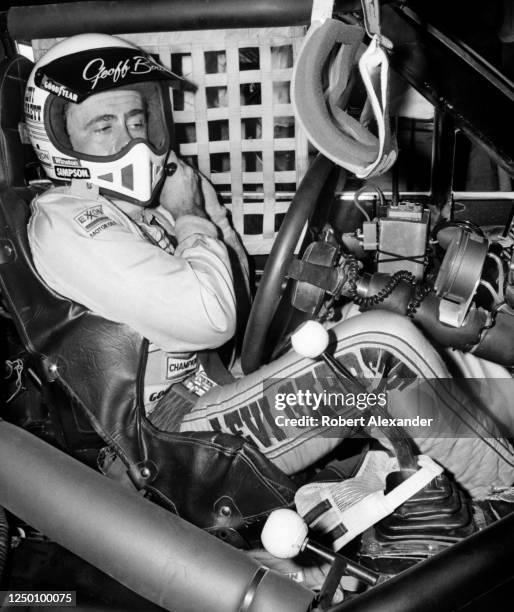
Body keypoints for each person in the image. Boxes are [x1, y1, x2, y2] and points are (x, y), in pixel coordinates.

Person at [26, 34, 513, 519]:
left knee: (378, 317)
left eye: (137, 121)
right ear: (59, 138)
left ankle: (503, 424)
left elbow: (234, 300)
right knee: (378, 351)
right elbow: (212, 318)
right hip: (174, 442)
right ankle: (504, 488)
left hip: (212, 389)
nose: (131, 140)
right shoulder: (69, 221)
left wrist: (205, 218)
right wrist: (192, 217)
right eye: (103, 126)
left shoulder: (134, 209)